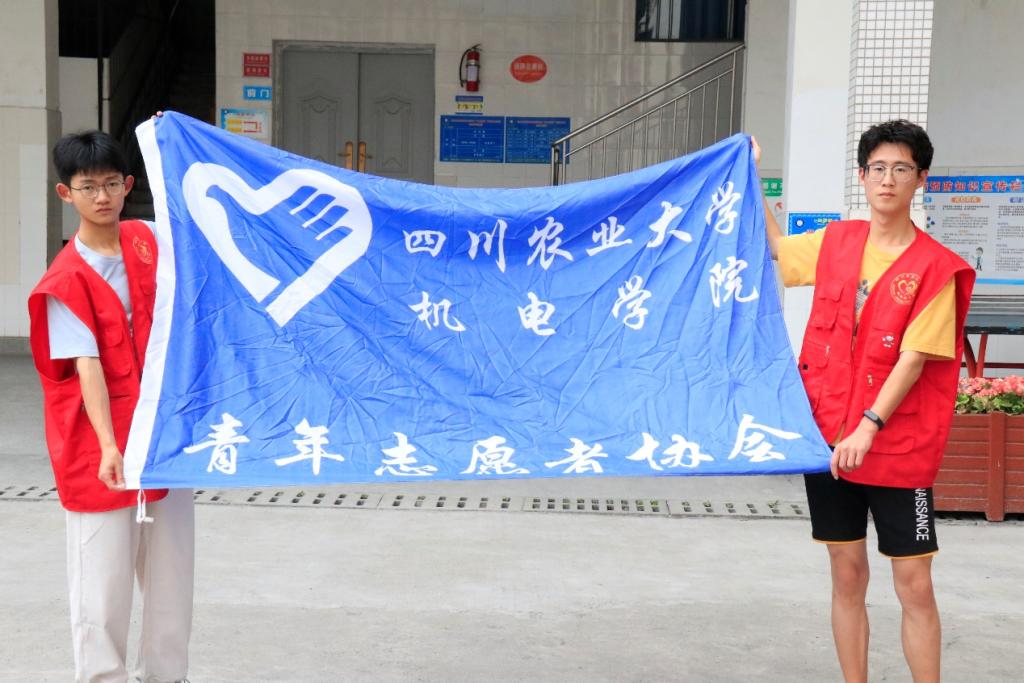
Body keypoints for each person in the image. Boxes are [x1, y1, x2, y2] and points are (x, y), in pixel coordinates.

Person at [756, 121, 975, 683]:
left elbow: (913, 358)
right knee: (847, 573)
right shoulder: (837, 241)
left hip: (898, 448)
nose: (887, 179)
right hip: (831, 438)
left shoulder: (935, 267)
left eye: (901, 169)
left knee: (914, 584)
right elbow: (778, 250)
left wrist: (870, 425)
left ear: (920, 179)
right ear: (862, 176)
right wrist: (748, 175)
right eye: (878, 168)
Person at [27, 130, 194, 683]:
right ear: (65, 193)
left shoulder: (147, 241)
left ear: (127, 185)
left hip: (162, 435)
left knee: (171, 577)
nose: (101, 196)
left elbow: (197, 232)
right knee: (102, 586)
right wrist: (107, 445)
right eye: (87, 187)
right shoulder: (65, 280)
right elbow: (88, 366)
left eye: (110, 184)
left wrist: (173, 138)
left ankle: (167, 676)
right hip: (97, 444)